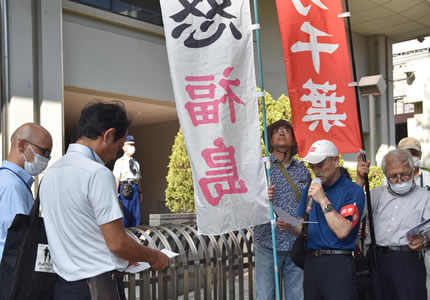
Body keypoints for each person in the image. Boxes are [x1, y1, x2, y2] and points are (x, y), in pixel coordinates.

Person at [40, 102, 169, 299]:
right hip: (96, 288)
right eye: (119, 143)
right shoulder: (97, 173)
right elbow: (117, 242)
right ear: (108, 135)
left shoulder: (51, 173)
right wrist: (154, 256)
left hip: (63, 286)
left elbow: (83, 233)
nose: (116, 152)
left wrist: (124, 259)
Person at [284, 139, 365, 300]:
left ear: (335, 160)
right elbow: (303, 226)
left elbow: (343, 231)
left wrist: (322, 199)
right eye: (312, 166)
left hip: (338, 261)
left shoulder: (353, 191)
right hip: (312, 262)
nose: (316, 170)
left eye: (320, 165)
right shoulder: (310, 187)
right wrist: (290, 225)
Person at [359, 149, 430, 300]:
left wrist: (424, 239)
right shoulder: (376, 194)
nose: (399, 180)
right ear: (385, 174)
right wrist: (359, 179)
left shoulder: (425, 197)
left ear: (412, 171)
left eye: (404, 174)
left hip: (407, 259)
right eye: (393, 176)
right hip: (377, 259)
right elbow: (353, 213)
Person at [254, 119, 311, 300]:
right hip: (267, 242)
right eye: (276, 130)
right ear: (270, 141)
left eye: (286, 130)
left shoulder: (303, 170)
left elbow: (310, 204)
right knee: (265, 296)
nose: (281, 132)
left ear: (293, 141)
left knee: (298, 296)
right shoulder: (260, 169)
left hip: (296, 243)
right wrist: (260, 196)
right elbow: (246, 201)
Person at [0, 123, 52, 260]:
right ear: (22, 145)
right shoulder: (12, 186)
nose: (46, 159)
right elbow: (19, 241)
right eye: (44, 152)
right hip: (10, 276)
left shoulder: (10, 181)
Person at [113, 135, 143, 228]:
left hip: (134, 189)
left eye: (133, 145)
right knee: (125, 214)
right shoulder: (119, 162)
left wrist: (140, 192)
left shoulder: (135, 163)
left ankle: (135, 235)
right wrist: (115, 193)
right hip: (124, 189)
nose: (132, 147)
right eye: (129, 145)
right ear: (124, 147)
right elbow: (116, 179)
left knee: (136, 215)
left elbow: (138, 179)